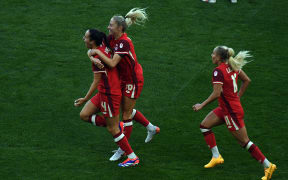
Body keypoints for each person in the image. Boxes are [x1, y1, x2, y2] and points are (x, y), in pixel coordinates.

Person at [192, 46, 276, 180]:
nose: (212, 55)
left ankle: (268, 165)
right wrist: (237, 96)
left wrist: (201, 105)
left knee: (244, 142)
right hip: (227, 109)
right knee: (205, 125)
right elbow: (247, 80)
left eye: (213, 54)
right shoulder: (233, 65)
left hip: (231, 113)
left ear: (219, 57)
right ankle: (216, 156)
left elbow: (216, 93)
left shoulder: (218, 71)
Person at [89, 8, 160, 161]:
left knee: (126, 114)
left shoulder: (124, 43)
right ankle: (151, 128)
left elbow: (113, 63)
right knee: (126, 109)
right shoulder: (112, 38)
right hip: (123, 79)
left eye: (111, 25)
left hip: (133, 80)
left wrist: (95, 54)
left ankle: (123, 150)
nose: (108, 27)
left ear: (119, 27)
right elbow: (96, 46)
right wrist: (91, 54)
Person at [74, 29, 139, 167]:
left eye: (85, 37)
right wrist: (90, 55)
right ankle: (119, 125)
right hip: (105, 91)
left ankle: (132, 157)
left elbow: (96, 81)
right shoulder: (103, 45)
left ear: (92, 41)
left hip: (109, 94)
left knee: (112, 129)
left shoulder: (98, 58)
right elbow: (92, 52)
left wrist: (85, 98)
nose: (83, 39)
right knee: (84, 115)